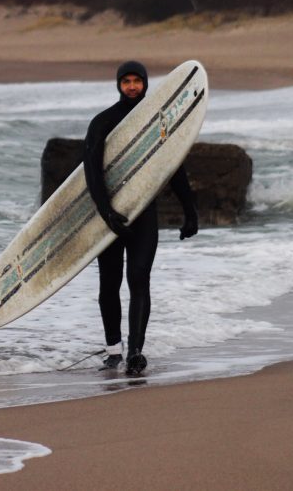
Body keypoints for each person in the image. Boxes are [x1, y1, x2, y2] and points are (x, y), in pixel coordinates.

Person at [83, 61, 199, 376]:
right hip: (108, 217)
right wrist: (106, 211)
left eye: (137, 81)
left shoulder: (157, 121)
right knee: (109, 285)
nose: (132, 86)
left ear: (146, 83)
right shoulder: (102, 122)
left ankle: (135, 352)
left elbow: (173, 167)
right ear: (118, 85)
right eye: (127, 81)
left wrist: (190, 211)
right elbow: (91, 172)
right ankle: (113, 351)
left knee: (139, 279)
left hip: (143, 215)